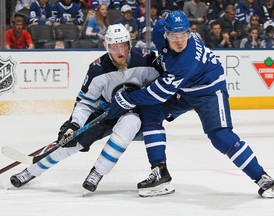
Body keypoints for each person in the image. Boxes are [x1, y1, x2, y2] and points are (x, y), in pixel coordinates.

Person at [106, 10, 274, 198]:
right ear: (165, 33)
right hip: (185, 89)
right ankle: (160, 172)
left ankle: (264, 179)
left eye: (184, 35)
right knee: (151, 110)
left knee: (220, 136)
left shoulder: (186, 60)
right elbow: (161, 22)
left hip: (209, 91)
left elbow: (157, 93)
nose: (180, 40)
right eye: (175, 36)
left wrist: (127, 99)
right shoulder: (160, 29)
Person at [9, 24, 161, 193]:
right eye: (114, 46)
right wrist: (74, 125)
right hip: (106, 112)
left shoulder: (146, 60)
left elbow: (163, 83)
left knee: (129, 124)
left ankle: (97, 172)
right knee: (69, 142)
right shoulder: (97, 69)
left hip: (134, 112)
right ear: (107, 47)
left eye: (123, 45)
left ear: (129, 44)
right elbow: (86, 102)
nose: (120, 51)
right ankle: (29, 172)